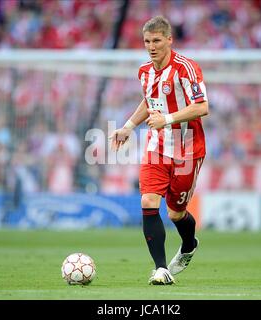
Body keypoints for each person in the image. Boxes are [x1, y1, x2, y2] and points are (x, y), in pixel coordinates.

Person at [109, 16, 209, 285]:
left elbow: (202, 107)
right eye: (146, 41)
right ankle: (161, 269)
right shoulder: (144, 71)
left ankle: (189, 244)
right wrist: (128, 126)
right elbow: (150, 100)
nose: (151, 46)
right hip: (156, 147)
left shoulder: (186, 69)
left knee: (176, 213)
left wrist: (165, 119)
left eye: (156, 41)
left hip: (188, 150)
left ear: (169, 40)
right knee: (148, 201)